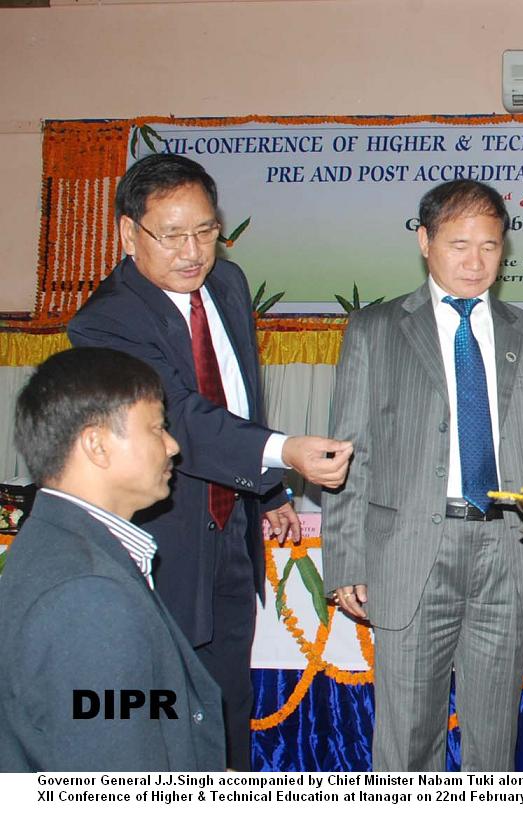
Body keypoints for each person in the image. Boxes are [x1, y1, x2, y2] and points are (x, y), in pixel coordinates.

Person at [66, 153, 353, 770]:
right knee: (163, 719)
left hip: (230, 536)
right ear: (127, 233)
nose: (193, 251)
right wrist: (283, 452)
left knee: (228, 703)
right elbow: (181, 418)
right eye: (172, 236)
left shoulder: (227, 285)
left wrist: (267, 491)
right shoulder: (108, 321)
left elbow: (238, 395)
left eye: (205, 232)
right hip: (159, 546)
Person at [323, 179, 523, 771]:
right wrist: (348, 560)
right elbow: (349, 451)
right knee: (405, 743)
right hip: (410, 553)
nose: (475, 261)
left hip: (508, 550)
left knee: (493, 744)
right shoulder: (376, 331)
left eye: (490, 245)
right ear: (425, 242)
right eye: (459, 244)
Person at [0, 348, 225, 771]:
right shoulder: (88, 595)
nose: (173, 446)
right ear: (97, 445)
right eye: (157, 428)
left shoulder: (57, 542)